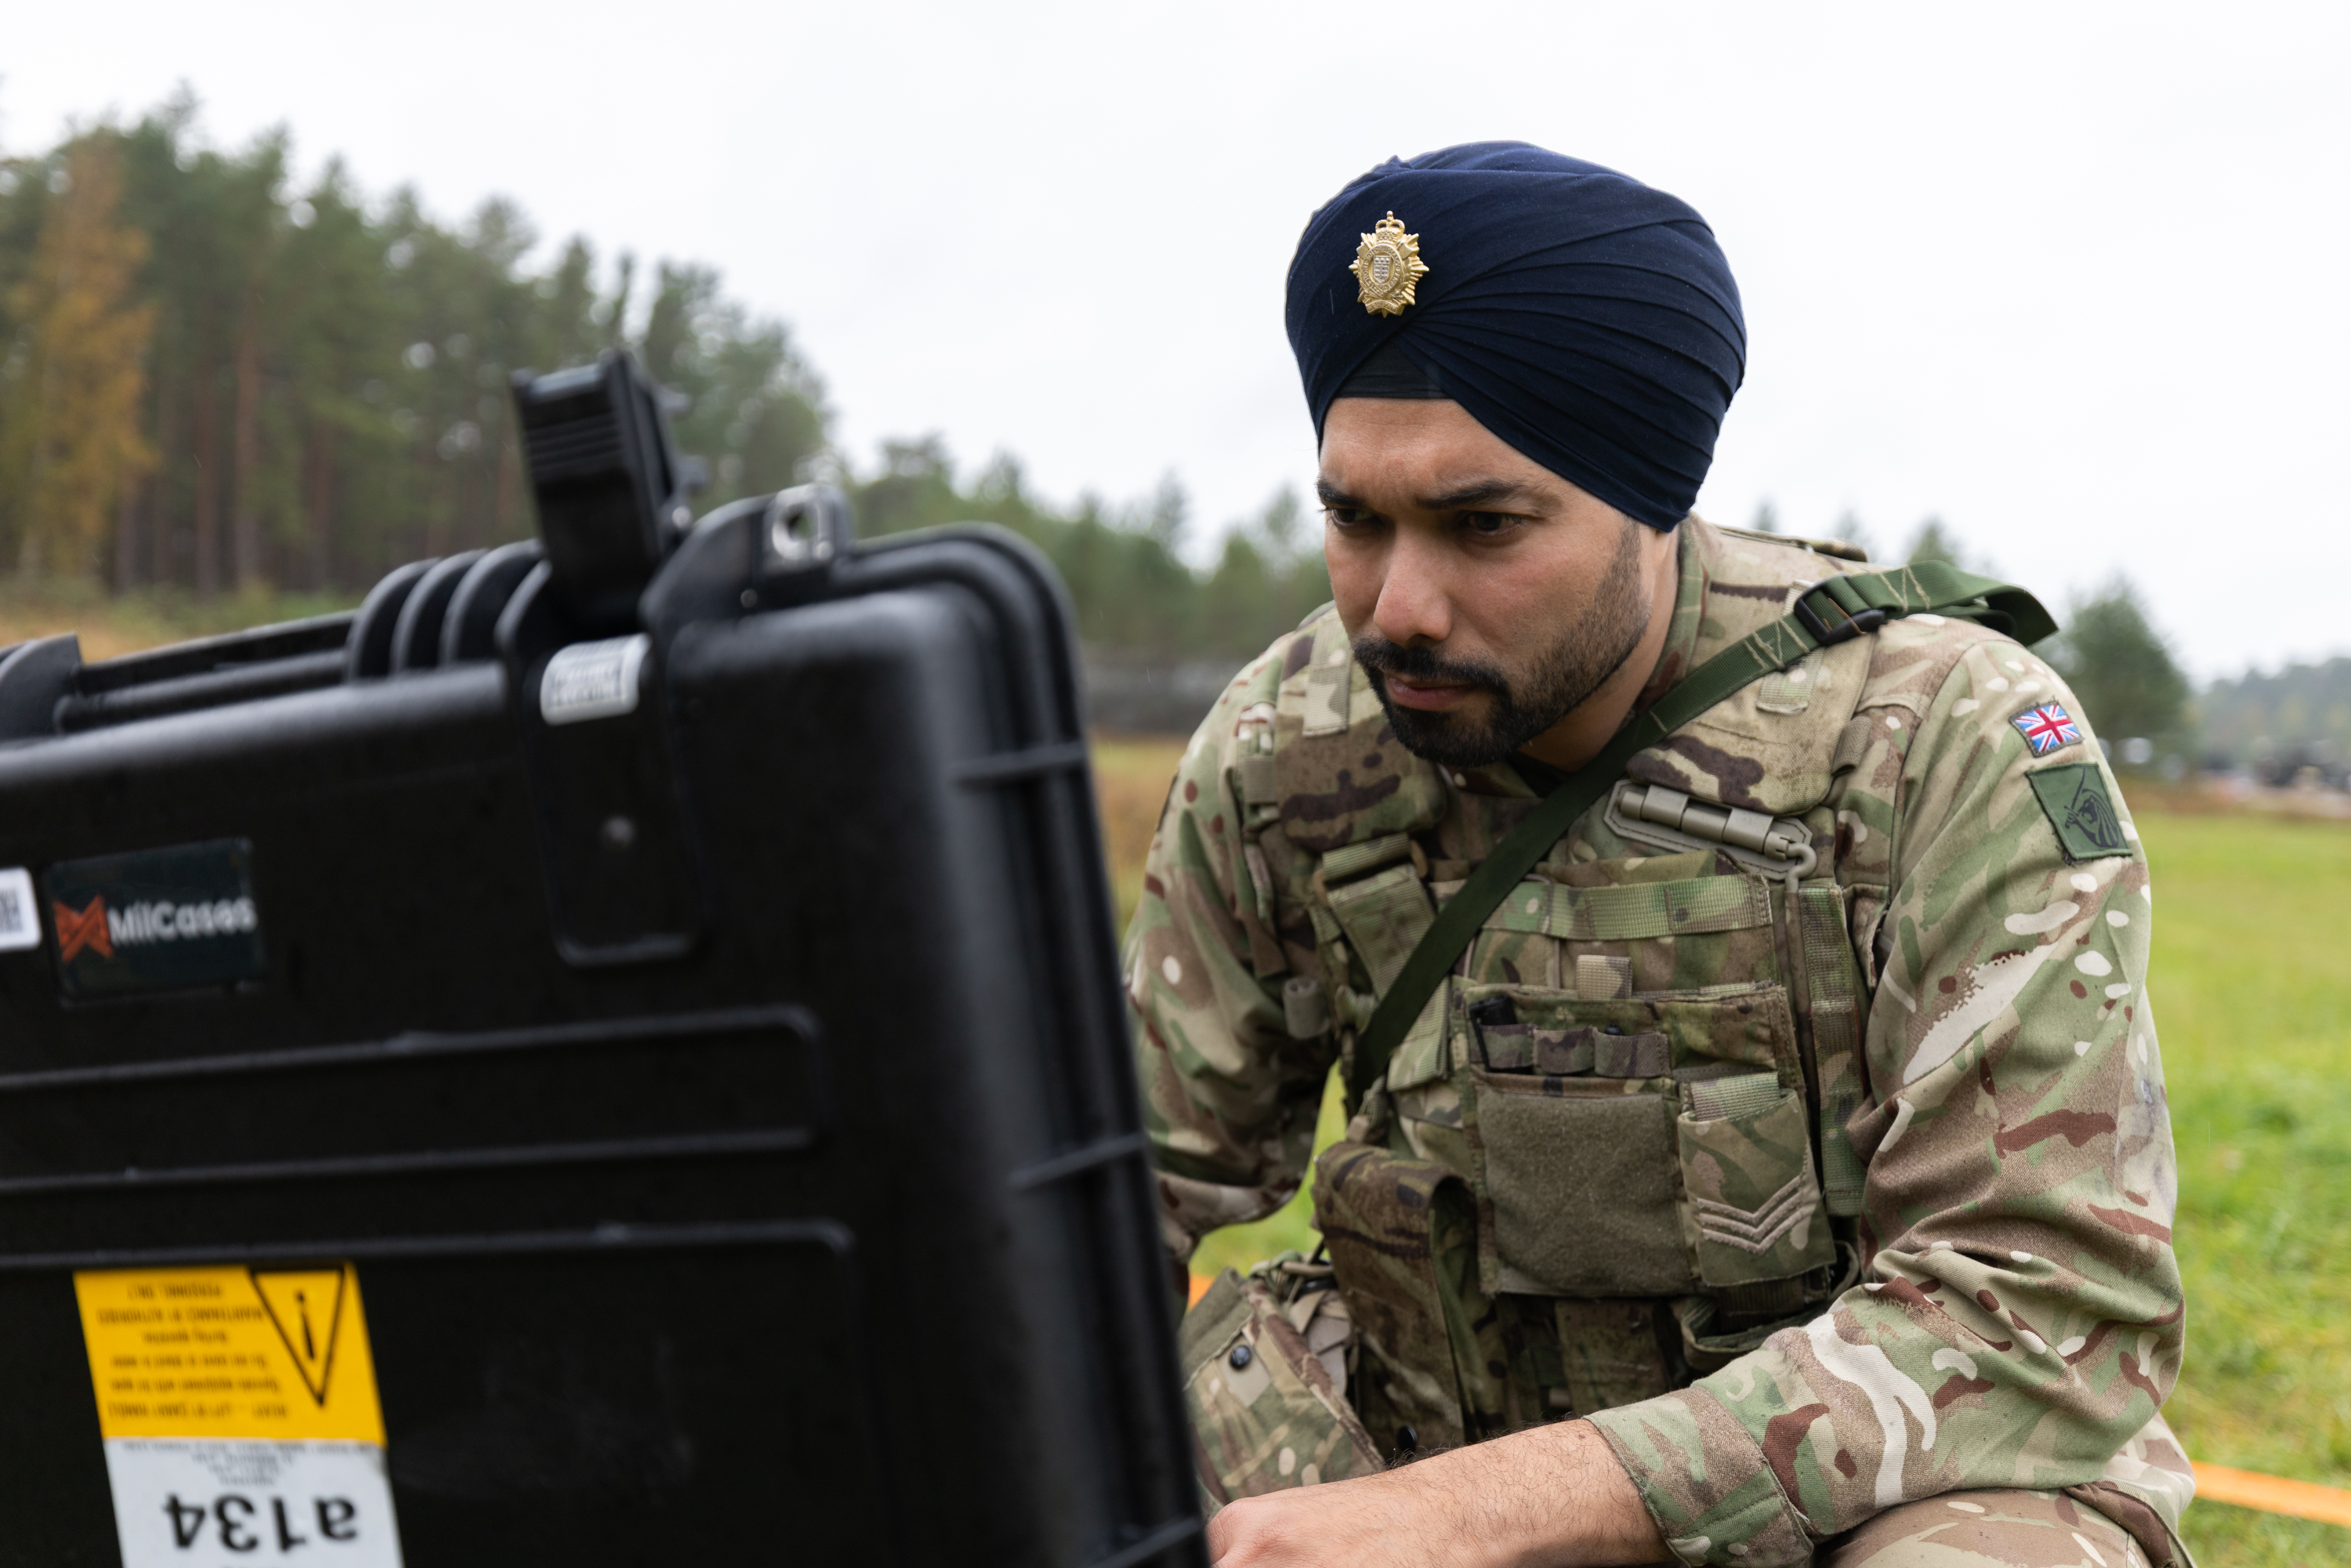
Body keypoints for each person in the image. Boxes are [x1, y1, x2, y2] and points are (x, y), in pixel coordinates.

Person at [1125, 143, 2193, 1568]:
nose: (1399, 607)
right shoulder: (1289, 743)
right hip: (1409, 1447)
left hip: (1870, 1497)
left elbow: (2037, 1305)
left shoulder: (1935, 732)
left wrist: (1477, 1517)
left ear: (1654, 495)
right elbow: (1113, 1187)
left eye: (1482, 523)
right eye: (1353, 518)